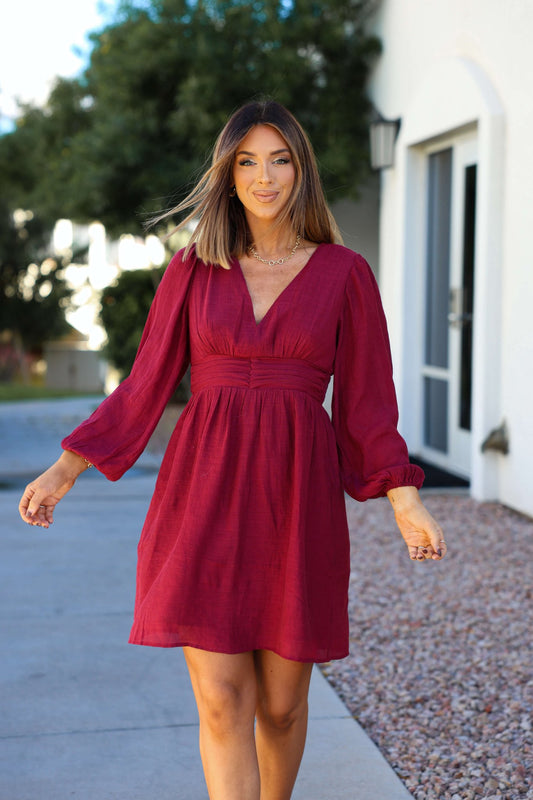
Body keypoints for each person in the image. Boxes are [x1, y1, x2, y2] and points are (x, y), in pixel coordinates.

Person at [19, 100, 447, 800]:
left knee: (279, 706)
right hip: (203, 495)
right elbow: (144, 384)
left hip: (295, 499)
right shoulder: (192, 269)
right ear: (227, 172)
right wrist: (67, 467)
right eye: (247, 160)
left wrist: (404, 500)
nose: (264, 176)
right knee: (222, 700)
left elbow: (369, 404)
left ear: (301, 169)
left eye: (279, 158)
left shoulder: (343, 273)